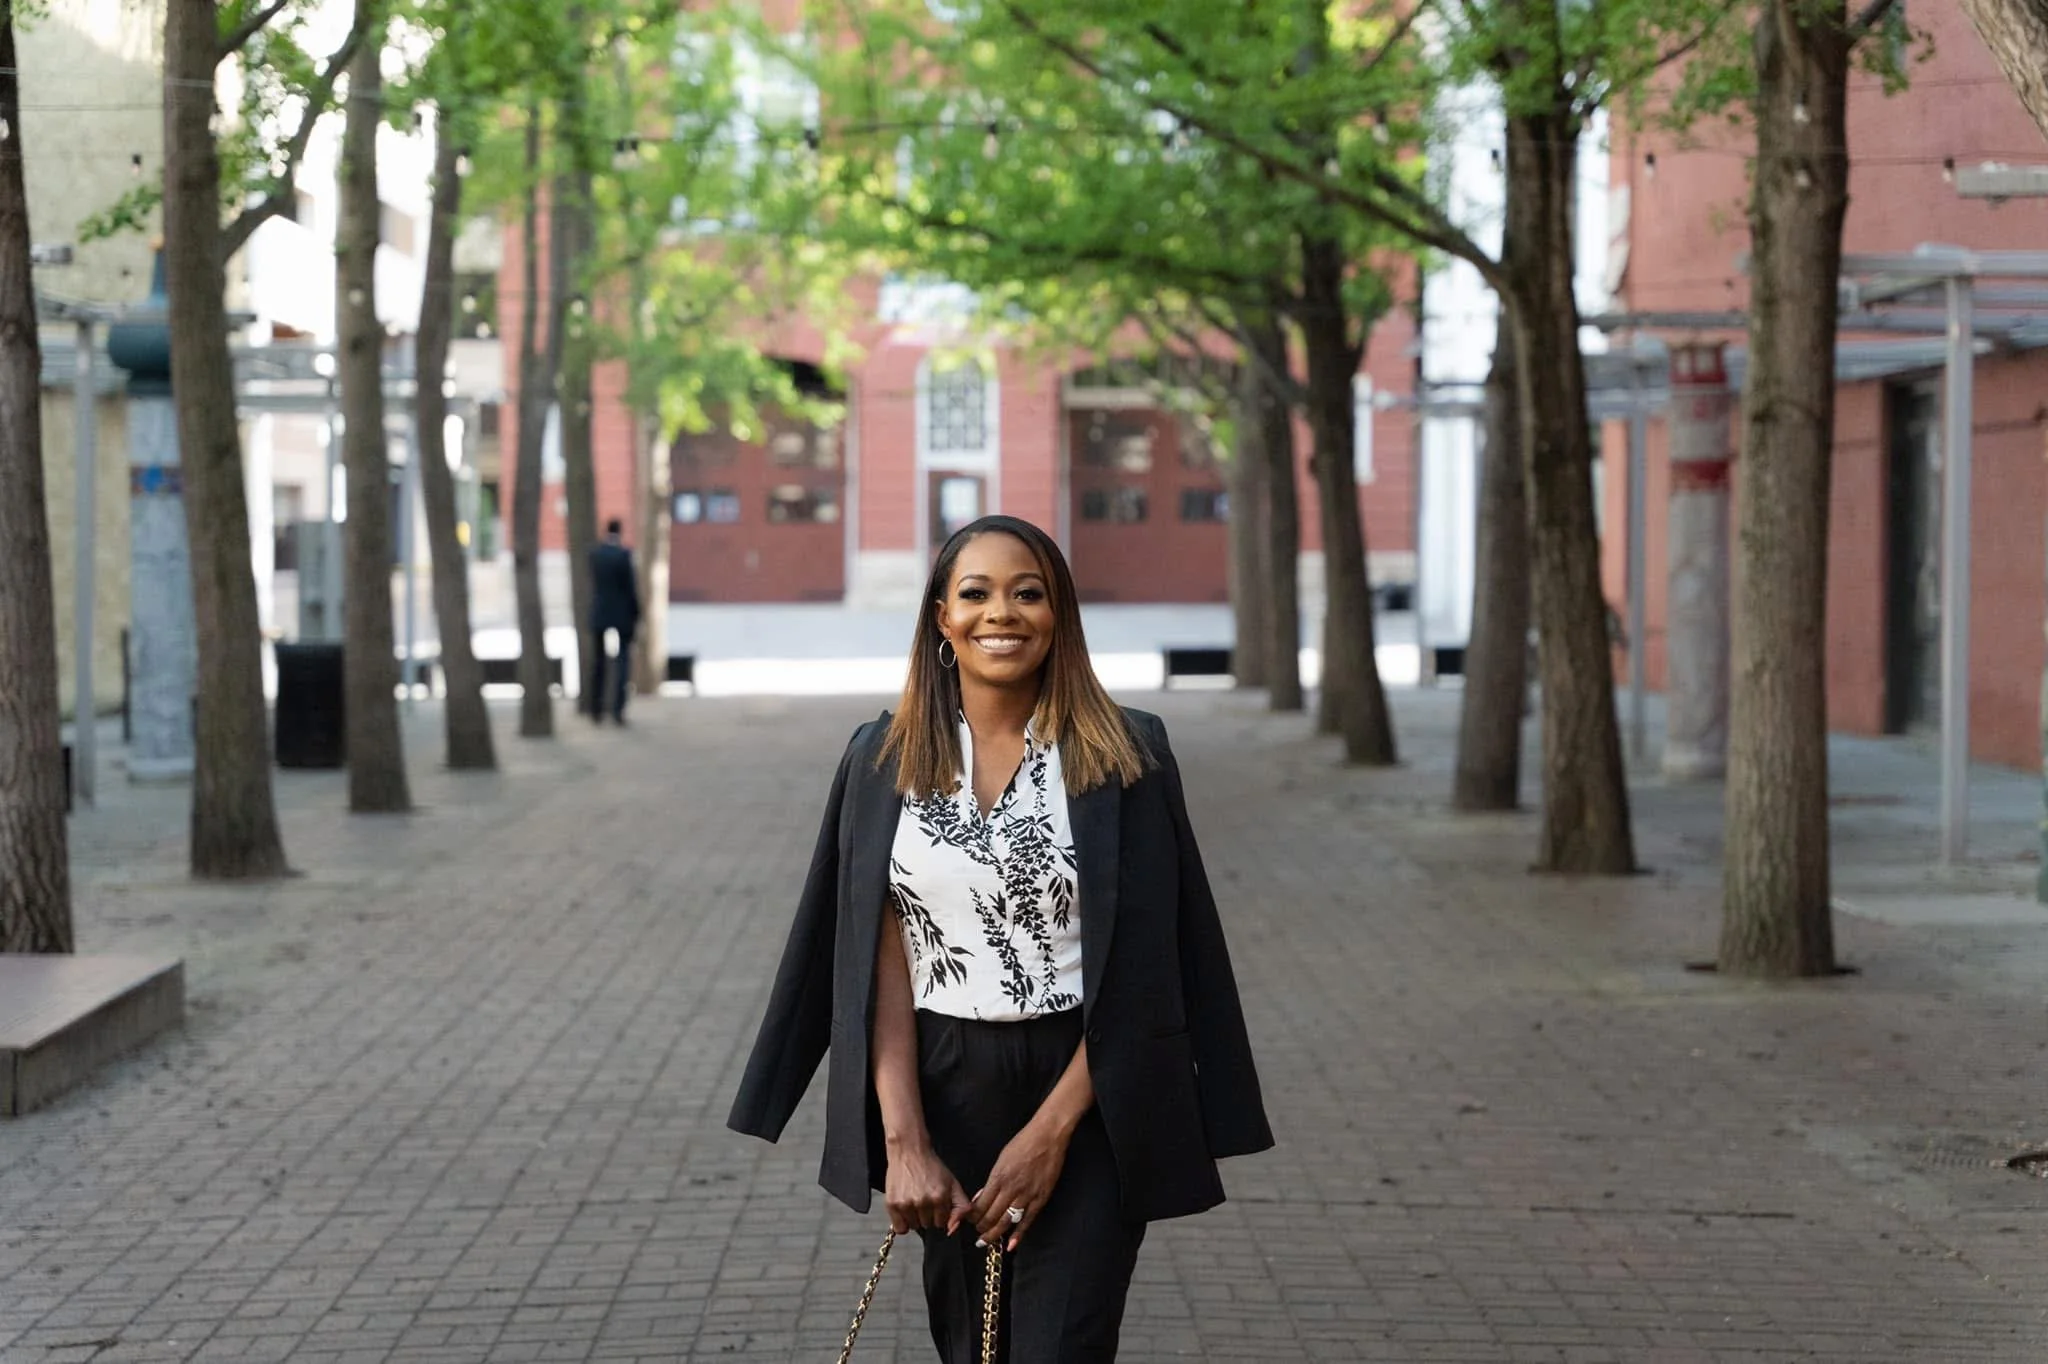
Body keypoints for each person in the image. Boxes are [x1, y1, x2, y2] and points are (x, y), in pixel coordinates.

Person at [728, 514, 1272, 1363]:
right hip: (946, 1085)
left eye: (1028, 593)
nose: (1001, 613)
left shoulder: (1123, 756)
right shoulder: (883, 760)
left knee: (1060, 1347)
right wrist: (904, 1143)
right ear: (941, 618)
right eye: (975, 593)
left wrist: (1049, 1135)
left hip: (1090, 1090)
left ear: (1059, 616)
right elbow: (883, 967)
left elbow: (1147, 969)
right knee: (972, 1349)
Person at [587, 518, 641, 725]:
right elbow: (631, 589)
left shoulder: (595, 555)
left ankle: (596, 709)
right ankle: (617, 710)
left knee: (598, 662)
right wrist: (637, 614)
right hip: (621, 615)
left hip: (600, 613)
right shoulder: (624, 555)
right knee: (622, 662)